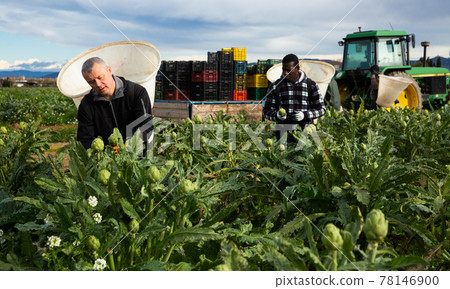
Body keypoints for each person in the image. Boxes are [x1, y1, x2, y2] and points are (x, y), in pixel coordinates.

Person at [77, 57, 152, 149]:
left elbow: (145, 128)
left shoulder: (137, 93)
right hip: (105, 160)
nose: (98, 84)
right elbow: (85, 139)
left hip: (136, 156)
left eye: (100, 77)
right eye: (92, 82)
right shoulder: (86, 104)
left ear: (109, 70)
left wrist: (126, 149)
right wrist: (107, 155)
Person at [263, 54, 326, 143]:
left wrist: (305, 115)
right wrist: (277, 116)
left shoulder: (311, 85)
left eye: (289, 70)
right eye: (283, 69)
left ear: (297, 68)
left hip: (304, 132)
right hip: (283, 132)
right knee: (284, 156)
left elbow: (322, 109)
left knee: (303, 156)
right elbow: (266, 111)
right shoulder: (275, 86)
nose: (285, 73)